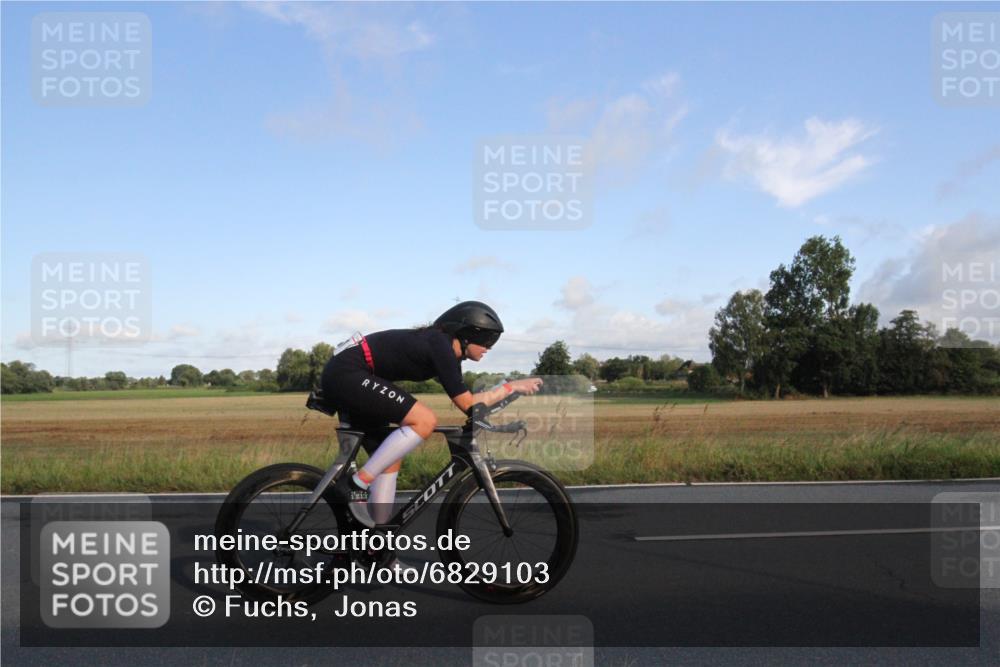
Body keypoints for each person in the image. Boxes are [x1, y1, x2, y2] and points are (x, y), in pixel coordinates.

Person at [322, 301, 542, 535]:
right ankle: (356, 484)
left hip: (353, 374)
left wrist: (507, 395)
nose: (489, 347)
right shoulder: (440, 346)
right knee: (424, 420)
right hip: (347, 373)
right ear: (466, 334)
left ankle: (380, 547)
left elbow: (471, 405)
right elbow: (468, 404)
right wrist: (510, 387)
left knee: (389, 458)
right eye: (487, 340)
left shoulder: (447, 352)